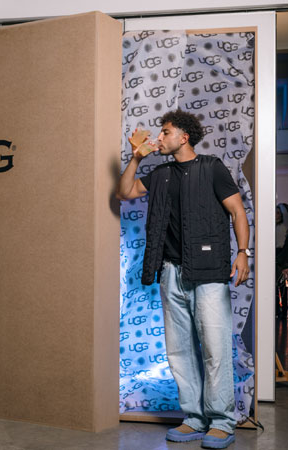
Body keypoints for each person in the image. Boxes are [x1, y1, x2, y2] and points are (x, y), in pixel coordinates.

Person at [117, 109, 250, 449]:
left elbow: (237, 210)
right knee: (179, 350)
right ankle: (194, 418)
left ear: (184, 137)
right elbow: (124, 192)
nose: (159, 138)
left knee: (215, 348)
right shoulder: (161, 174)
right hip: (171, 272)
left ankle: (222, 421)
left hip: (208, 271)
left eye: (165, 132)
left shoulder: (211, 167)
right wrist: (136, 157)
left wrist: (242, 252)